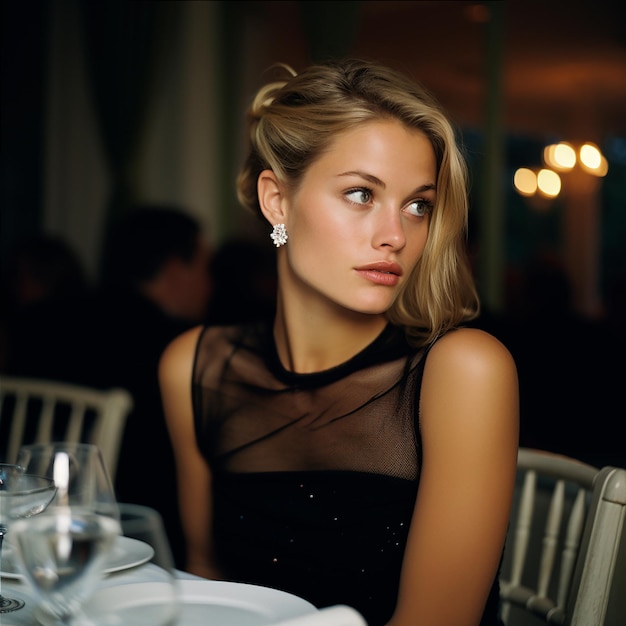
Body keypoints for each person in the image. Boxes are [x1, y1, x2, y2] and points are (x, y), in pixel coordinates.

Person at [159, 59, 519, 626]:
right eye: (360, 194)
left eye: (418, 205)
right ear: (277, 200)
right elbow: (206, 587)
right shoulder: (196, 367)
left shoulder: (462, 371)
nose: (395, 235)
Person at [96, 204, 212, 570]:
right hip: (134, 536)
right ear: (177, 270)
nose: (211, 284)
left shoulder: (43, 321)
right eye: (205, 269)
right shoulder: (178, 350)